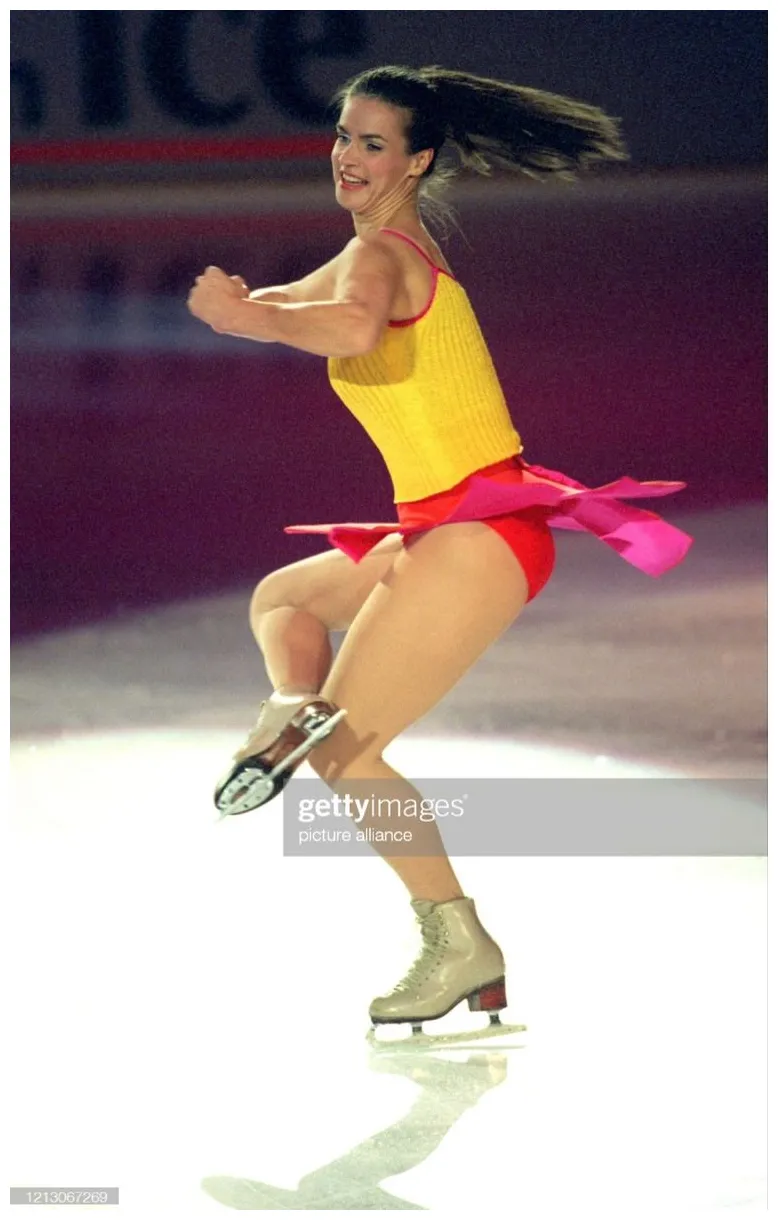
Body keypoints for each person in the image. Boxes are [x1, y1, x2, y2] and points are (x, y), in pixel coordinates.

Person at [187, 65, 693, 1041]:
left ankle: (457, 942)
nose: (348, 156)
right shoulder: (363, 251)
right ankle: (290, 710)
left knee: (351, 752)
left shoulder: (382, 260)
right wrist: (253, 303)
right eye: (343, 136)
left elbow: (347, 322)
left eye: (374, 143)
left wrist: (246, 317)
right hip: (454, 524)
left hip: (475, 533)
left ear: (417, 161)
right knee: (284, 602)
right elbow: (310, 301)